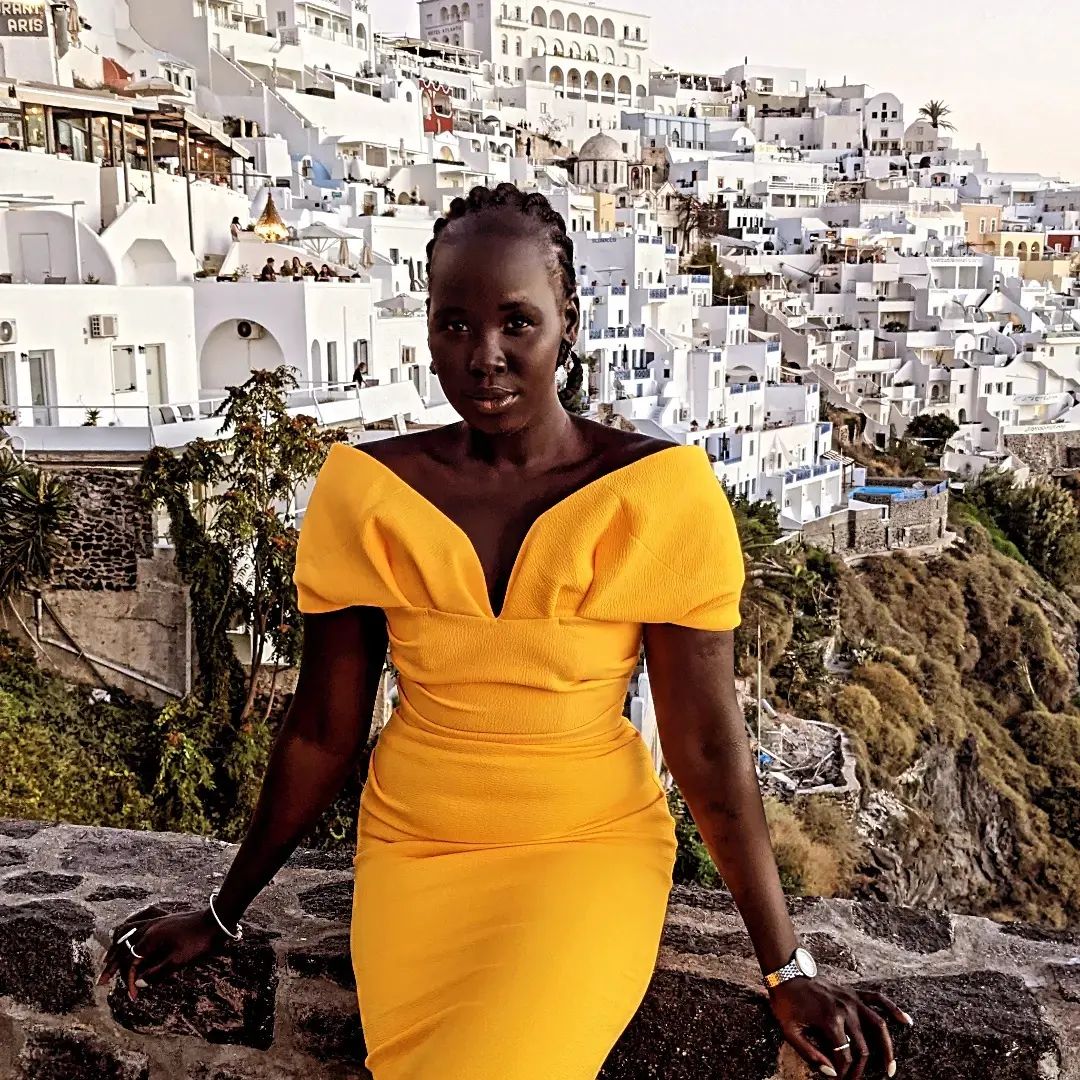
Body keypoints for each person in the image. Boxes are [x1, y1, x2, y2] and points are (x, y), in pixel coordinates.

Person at [99, 184, 909, 1079]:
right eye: (454, 325)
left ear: (568, 319)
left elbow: (707, 746)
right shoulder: (367, 495)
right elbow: (325, 731)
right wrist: (223, 912)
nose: (483, 356)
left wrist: (784, 964)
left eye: (517, 322)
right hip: (415, 855)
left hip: (583, 850)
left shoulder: (660, 495)